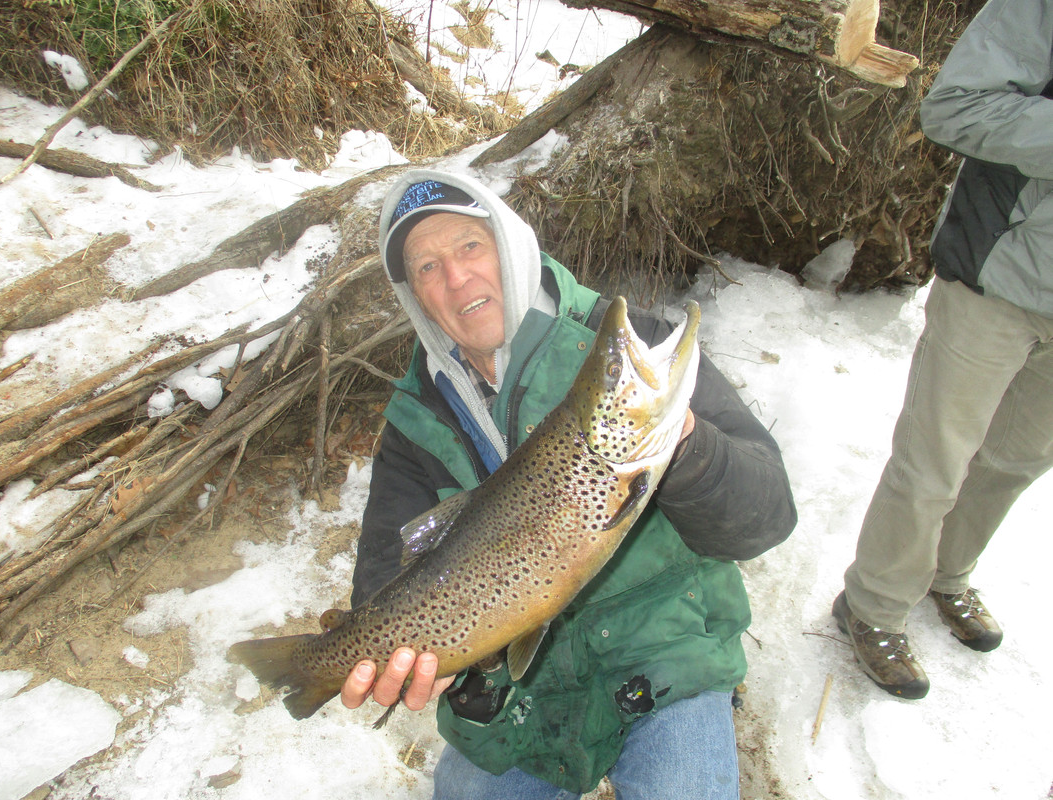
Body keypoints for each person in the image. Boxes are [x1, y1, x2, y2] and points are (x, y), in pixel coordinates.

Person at [341, 168, 796, 799]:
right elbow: (385, 573)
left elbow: (767, 518)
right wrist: (401, 657)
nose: (456, 277)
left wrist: (687, 445)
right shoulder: (414, 422)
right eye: (427, 266)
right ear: (414, 295)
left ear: (510, 244)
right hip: (519, 697)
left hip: (666, 652)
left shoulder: (632, 344)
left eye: (470, 246)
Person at [833, 0, 1053, 700]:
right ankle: (872, 606)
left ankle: (946, 575)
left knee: (1015, 461)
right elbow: (955, 108)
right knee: (934, 462)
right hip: (1000, 276)